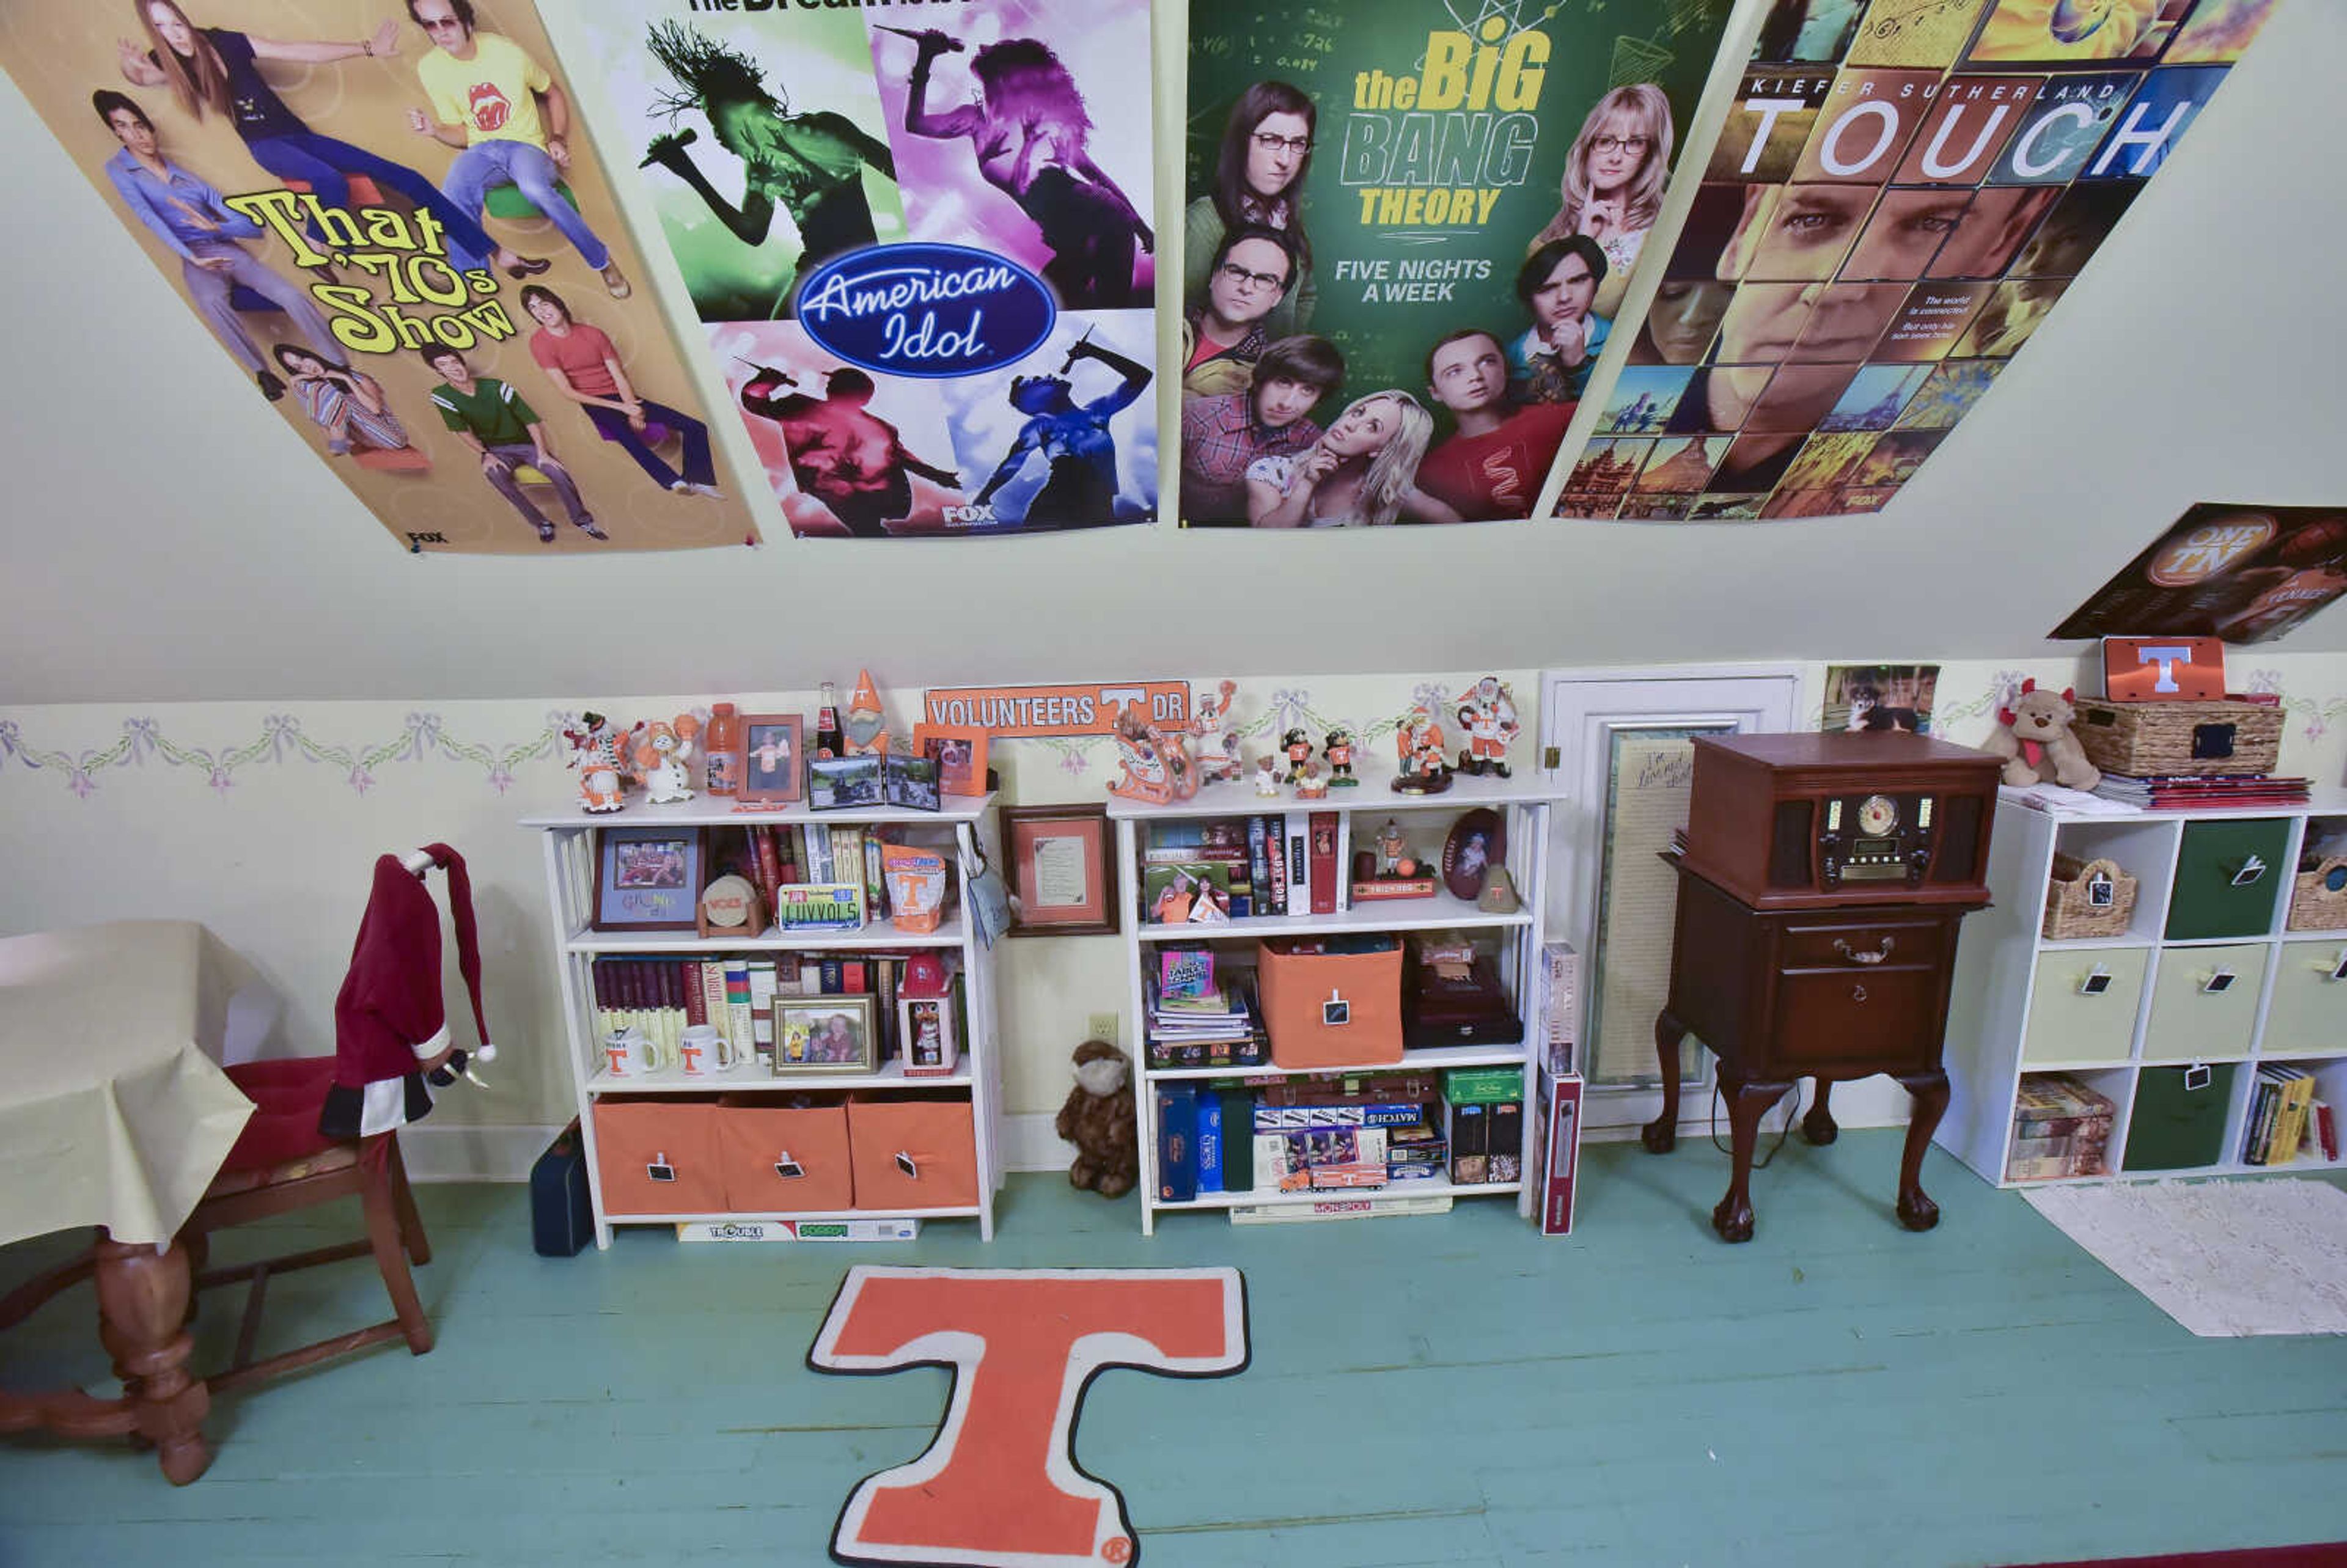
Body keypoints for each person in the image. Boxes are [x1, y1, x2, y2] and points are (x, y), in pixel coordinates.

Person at [117, 0, 537, 280]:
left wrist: (368, 48)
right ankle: (318, 239)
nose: (172, 32)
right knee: (331, 182)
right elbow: (147, 76)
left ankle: (501, 253)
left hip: (297, 135)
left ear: (183, 17)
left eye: (174, 21)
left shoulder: (225, 43)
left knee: (407, 178)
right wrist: (131, 68)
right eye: (160, 28)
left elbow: (299, 51)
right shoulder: (170, 62)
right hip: (266, 146)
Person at [93, 89, 340, 403]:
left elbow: (253, 228)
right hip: (193, 254)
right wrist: (190, 258)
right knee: (212, 302)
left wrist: (218, 226)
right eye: (124, 127)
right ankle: (262, 372)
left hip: (225, 249)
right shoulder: (120, 169)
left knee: (289, 295)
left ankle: (339, 363)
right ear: (115, 131)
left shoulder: (189, 179)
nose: (136, 134)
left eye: (139, 125)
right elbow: (148, 218)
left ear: (150, 127)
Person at [641, 21, 897, 313]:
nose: (717, 136)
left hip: (862, 271)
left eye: (716, 123)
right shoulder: (760, 168)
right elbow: (752, 232)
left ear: (738, 113)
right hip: (815, 272)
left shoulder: (825, 127)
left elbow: (893, 165)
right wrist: (688, 172)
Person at [897, 29, 1150, 308]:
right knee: (1045, 308)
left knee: (1098, 308)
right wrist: (926, 56)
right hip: (1072, 240)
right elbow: (916, 124)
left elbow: (1096, 177)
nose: (983, 46)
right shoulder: (974, 121)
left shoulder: (1041, 121)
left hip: (1106, 219)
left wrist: (1142, 227)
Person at [402, 0, 630, 300]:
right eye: (430, 25)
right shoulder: (431, 67)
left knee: (534, 187)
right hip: (482, 150)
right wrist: (435, 131)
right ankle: (472, 280)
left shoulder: (506, 52)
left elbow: (552, 92)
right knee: (452, 192)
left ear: (466, 21)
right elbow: (462, 134)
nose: (441, 32)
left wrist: (558, 138)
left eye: (448, 22)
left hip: (526, 147)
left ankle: (602, 261)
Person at [521, 284, 721, 499]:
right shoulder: (540, 344)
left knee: (695, 427)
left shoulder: (593, 334)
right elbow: (568, 392)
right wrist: (623, 408)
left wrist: (633, 407)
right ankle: (672, 481)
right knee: (629, 438)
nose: (541, 311)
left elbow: (618, 374)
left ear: (558, 304)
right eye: (533, 308)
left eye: (544, 304)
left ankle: (698, 478)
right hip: (594, 402)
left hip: (620, 394)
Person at [741, 365, 958, 537]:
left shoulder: (801, 407)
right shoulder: (881, 427)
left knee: (869, 533)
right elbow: (903, 457)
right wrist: (938, 476)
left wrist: (766, 382)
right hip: (860, 495)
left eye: (832, 383)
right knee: (869, 533)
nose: (827, 386)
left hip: (853, 493)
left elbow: (755, 402)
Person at [422, 345, 603, 544]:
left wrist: (542, 453)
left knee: (557, 472)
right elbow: (461, 431)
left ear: (462, 362)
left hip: (526, 445)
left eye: (455, 362)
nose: (453, 368)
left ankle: (583, 521)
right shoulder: (442, 395)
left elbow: (530, 421)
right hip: (496, 451)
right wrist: (486, 454)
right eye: (444, 365)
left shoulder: (497, 387)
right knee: (495, 476)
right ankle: (542, 524)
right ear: (438, 371)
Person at [972, 334, 1152, 526]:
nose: (1048, 376)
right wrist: (983, 497)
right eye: (1037, 380)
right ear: (1030, 401)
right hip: (1060, 501)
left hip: (1100, 502)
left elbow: (1141, 377)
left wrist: (1094, 352)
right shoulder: (1042, 423)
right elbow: (1012, 464)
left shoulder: (1098, 411)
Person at [1184, 81, 1317, 335]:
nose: (1285, 160)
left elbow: (1306, 295)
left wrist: (1283, 351)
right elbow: (1180, 323)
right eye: (1271, 140)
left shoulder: (1287, 220)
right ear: (1241, 142)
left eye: (1298, 144)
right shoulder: (1204, 223)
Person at [1530, 85, 1672, 319]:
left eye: (1635, 143)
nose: (1616, 157)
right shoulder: (1544, 241)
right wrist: (1583, 242)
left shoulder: (1658, 236)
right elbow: (1553, 324)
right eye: (1606, 141)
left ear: (1650, 154)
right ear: (1586, 147)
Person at [1179, 334, 1343, 524]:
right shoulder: (1199, 416)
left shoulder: (1312, 443)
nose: (1287, 403)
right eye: (1283, 382)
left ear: (1317, 402)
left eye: (1307, 391)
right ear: (1259, 380)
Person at [1417, 330, 1578, 522]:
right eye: (1455, 372)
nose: (1475, 376)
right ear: (1435, 392)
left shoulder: (1566, 418)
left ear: (1506, 369)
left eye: (1487, 361)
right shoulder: (1430, 475)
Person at [1244, 390, 1457, 527]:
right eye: (1358, 413)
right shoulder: (1271, 471)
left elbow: (1452, 522)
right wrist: (1306, 485)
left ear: (1381, 450)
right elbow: (1267, 542)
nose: (1350, 424)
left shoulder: (1388, 494)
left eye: (1372, 427)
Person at [1183, 226, 1295, 401]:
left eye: (1265, 280)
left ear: (1278, 298)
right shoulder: (1163, 320)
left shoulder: (1267, 375)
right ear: (1214, 276)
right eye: (1236, 271)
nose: (1246, 288)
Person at [272, 345, 425, 468]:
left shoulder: (355, 377)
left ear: (310, 355)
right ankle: (340, 440)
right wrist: (295, 384)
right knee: (321, 392)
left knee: (334, 395)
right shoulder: (317, 392)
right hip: (363, 445)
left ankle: (339, 442)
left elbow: (375, 409)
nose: (307, 368)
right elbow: (320, 421)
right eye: (298, 368)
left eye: (303, 360)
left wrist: (345, 378)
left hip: (390, 436)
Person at [1510, 238, 1611, 405]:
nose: (1564, 297)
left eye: (1578, 281)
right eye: (1547, 288)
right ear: (1530, 298)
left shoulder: (1623, 339)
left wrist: (1579, 362)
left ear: (1596, 285)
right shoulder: (1509, 358)